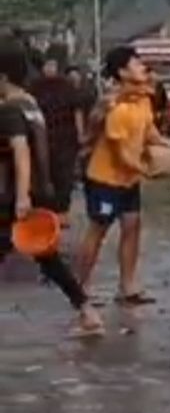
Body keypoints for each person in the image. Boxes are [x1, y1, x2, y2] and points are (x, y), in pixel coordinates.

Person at [0, 37, 104, 336]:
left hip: (12, 197)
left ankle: (87, 311)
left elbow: (21, 150)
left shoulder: (9, 110)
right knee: (48, 259)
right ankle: (87, 311)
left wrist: (21, 196)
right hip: (35, 192)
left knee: (48, 258)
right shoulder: (30, 104)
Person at [76, 45, 164, 305]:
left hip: (129, 178)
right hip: (106, 178)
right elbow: (118, 152)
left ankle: (127, 287)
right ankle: (80, 289)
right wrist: (146, 169)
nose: (143, 68)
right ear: (122, 72)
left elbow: (151, 134)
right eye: (137, 64)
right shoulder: (111, 103)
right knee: (99, 229)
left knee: (132, 226)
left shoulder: (143, 99)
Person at [29, 56, 86, 227]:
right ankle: (45, 212)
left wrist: (80, 134)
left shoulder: (66, 86)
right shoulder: (35, 86)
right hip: (43, 136)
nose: (50, 68)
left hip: (64, 137)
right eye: (47, 64)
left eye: (53, 64)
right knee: (44, 174)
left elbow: (77, 111)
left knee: (64, 176)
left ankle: (61, 213)